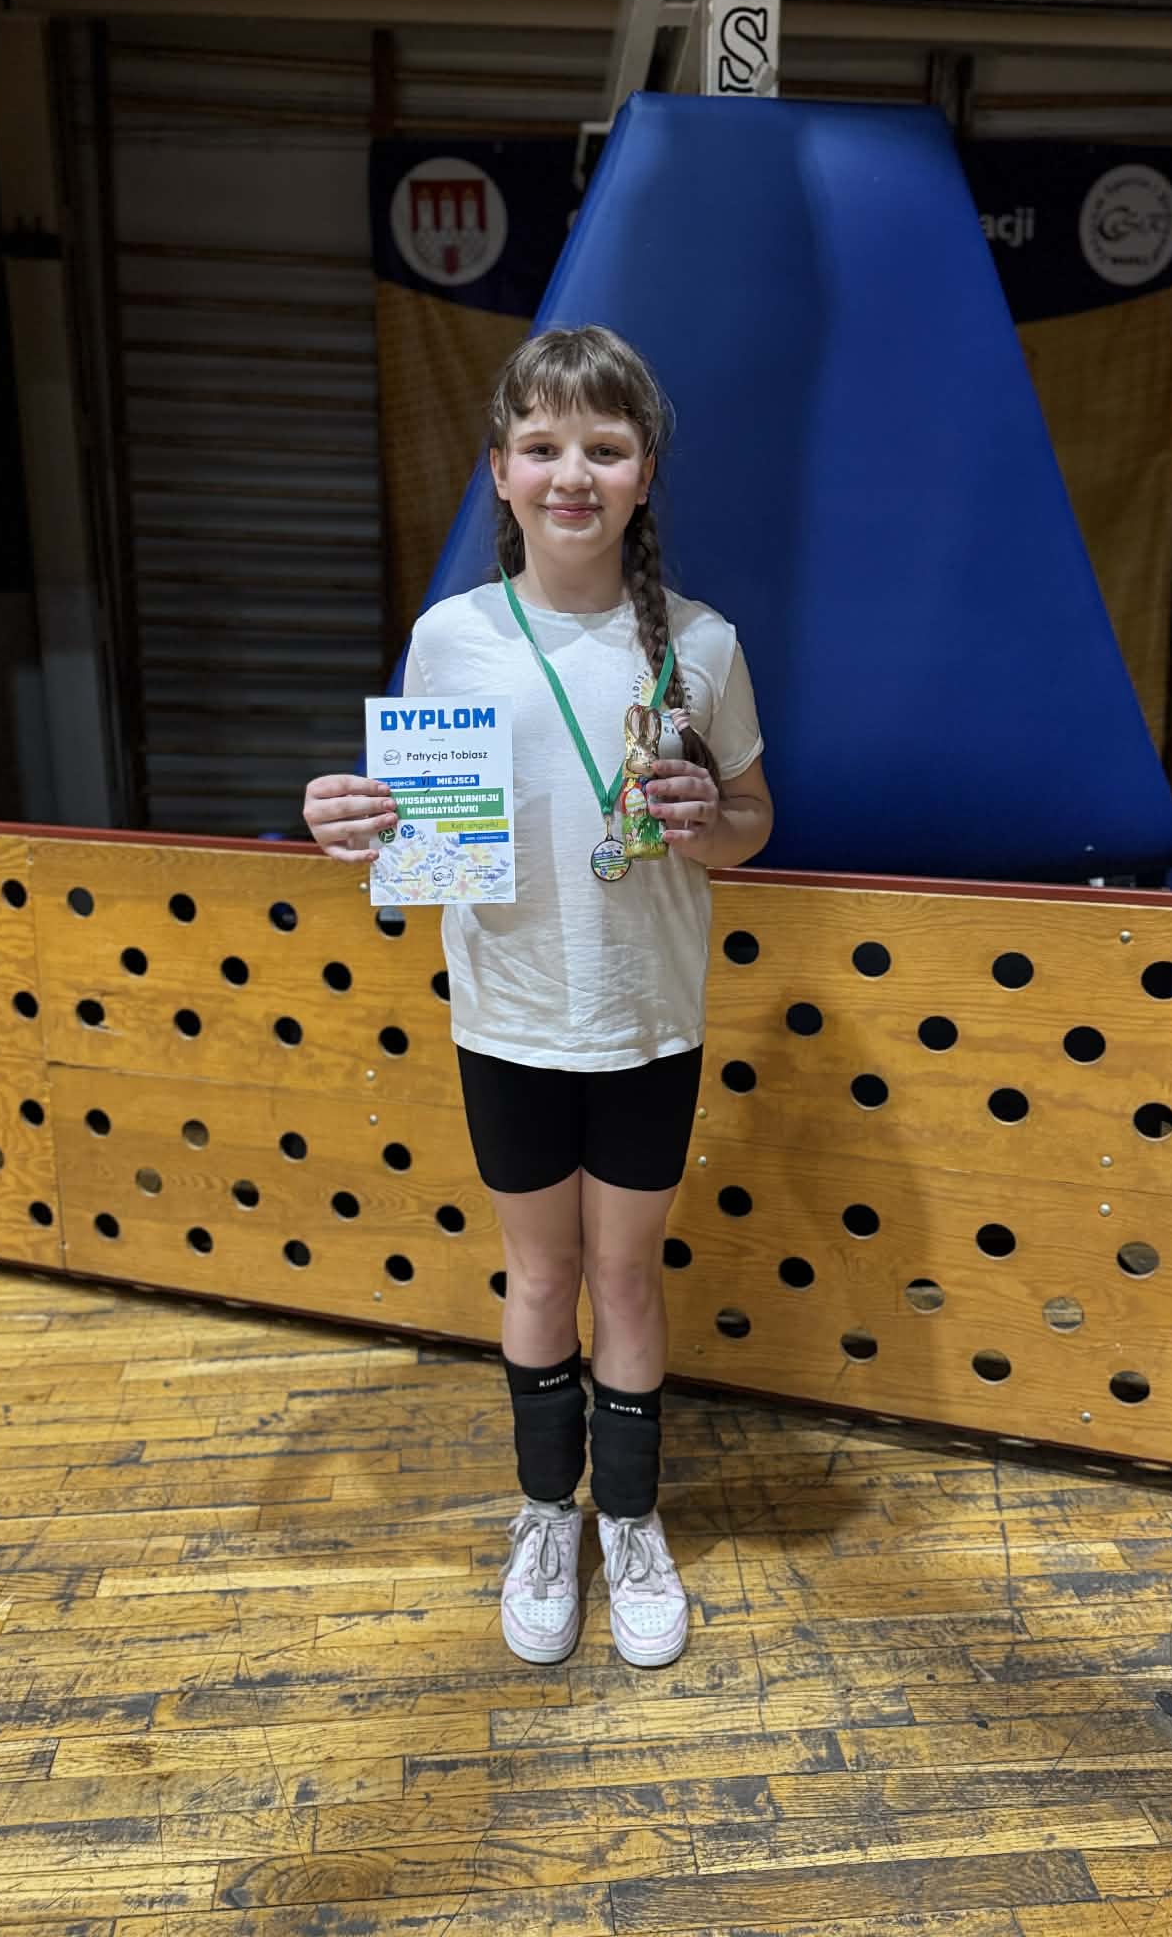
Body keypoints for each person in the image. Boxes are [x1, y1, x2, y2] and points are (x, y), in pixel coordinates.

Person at [303, 325, 772, 1667]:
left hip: (646, 1021)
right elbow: (417, 829)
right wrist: (355, 825)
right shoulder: (450, 639)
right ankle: (545, 1516)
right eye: (544, 446)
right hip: (505, 1016)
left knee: (623, 1278)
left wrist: (711, 820)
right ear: (502, 472)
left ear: (643, 474)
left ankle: (629, 1518)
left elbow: (753, 822)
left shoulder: (702, 644)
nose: (574, 473)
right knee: (542, 1273)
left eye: (605, 448)